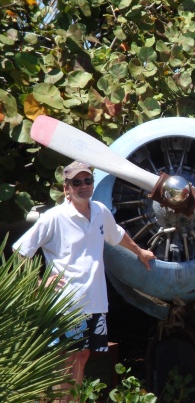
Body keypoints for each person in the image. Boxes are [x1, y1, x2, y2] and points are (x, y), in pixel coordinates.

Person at [12, 161, 156, 401]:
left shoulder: (100, 211)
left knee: (83, 357)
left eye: (87, 181)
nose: (83, 186)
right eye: (76, 182)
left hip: (95, 301)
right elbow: (20, 252)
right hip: (65, 305)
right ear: (66, 188)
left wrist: (140, 252)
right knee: (65, 360)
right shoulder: (54, 217)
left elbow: (117, 235)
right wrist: (38, 284)